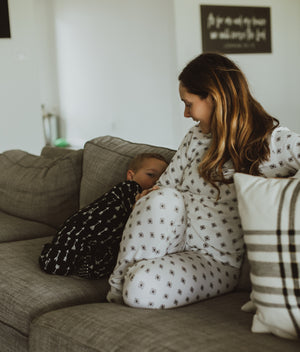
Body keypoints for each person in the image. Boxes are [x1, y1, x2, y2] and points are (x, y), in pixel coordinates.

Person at [107, 52, 300, 309]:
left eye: (188, 103)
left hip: (213, 260)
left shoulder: (270, 142)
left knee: (139, 288)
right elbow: (166, 186)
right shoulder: (195, 136)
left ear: (214, 98)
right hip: (171, 238)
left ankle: (127, 286)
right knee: (161, 198)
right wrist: (150, 197)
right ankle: (114, 291)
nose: (186, 114)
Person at [39, 153, 168, 279]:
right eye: (150, 175)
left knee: (108, 260)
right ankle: (62, 257)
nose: (155, 181)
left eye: (160, 178)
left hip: (97, 245)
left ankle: (75, 263)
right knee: (56, 262)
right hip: (81, 232)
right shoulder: (129, 188)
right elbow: (138, 213)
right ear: (131, 175)